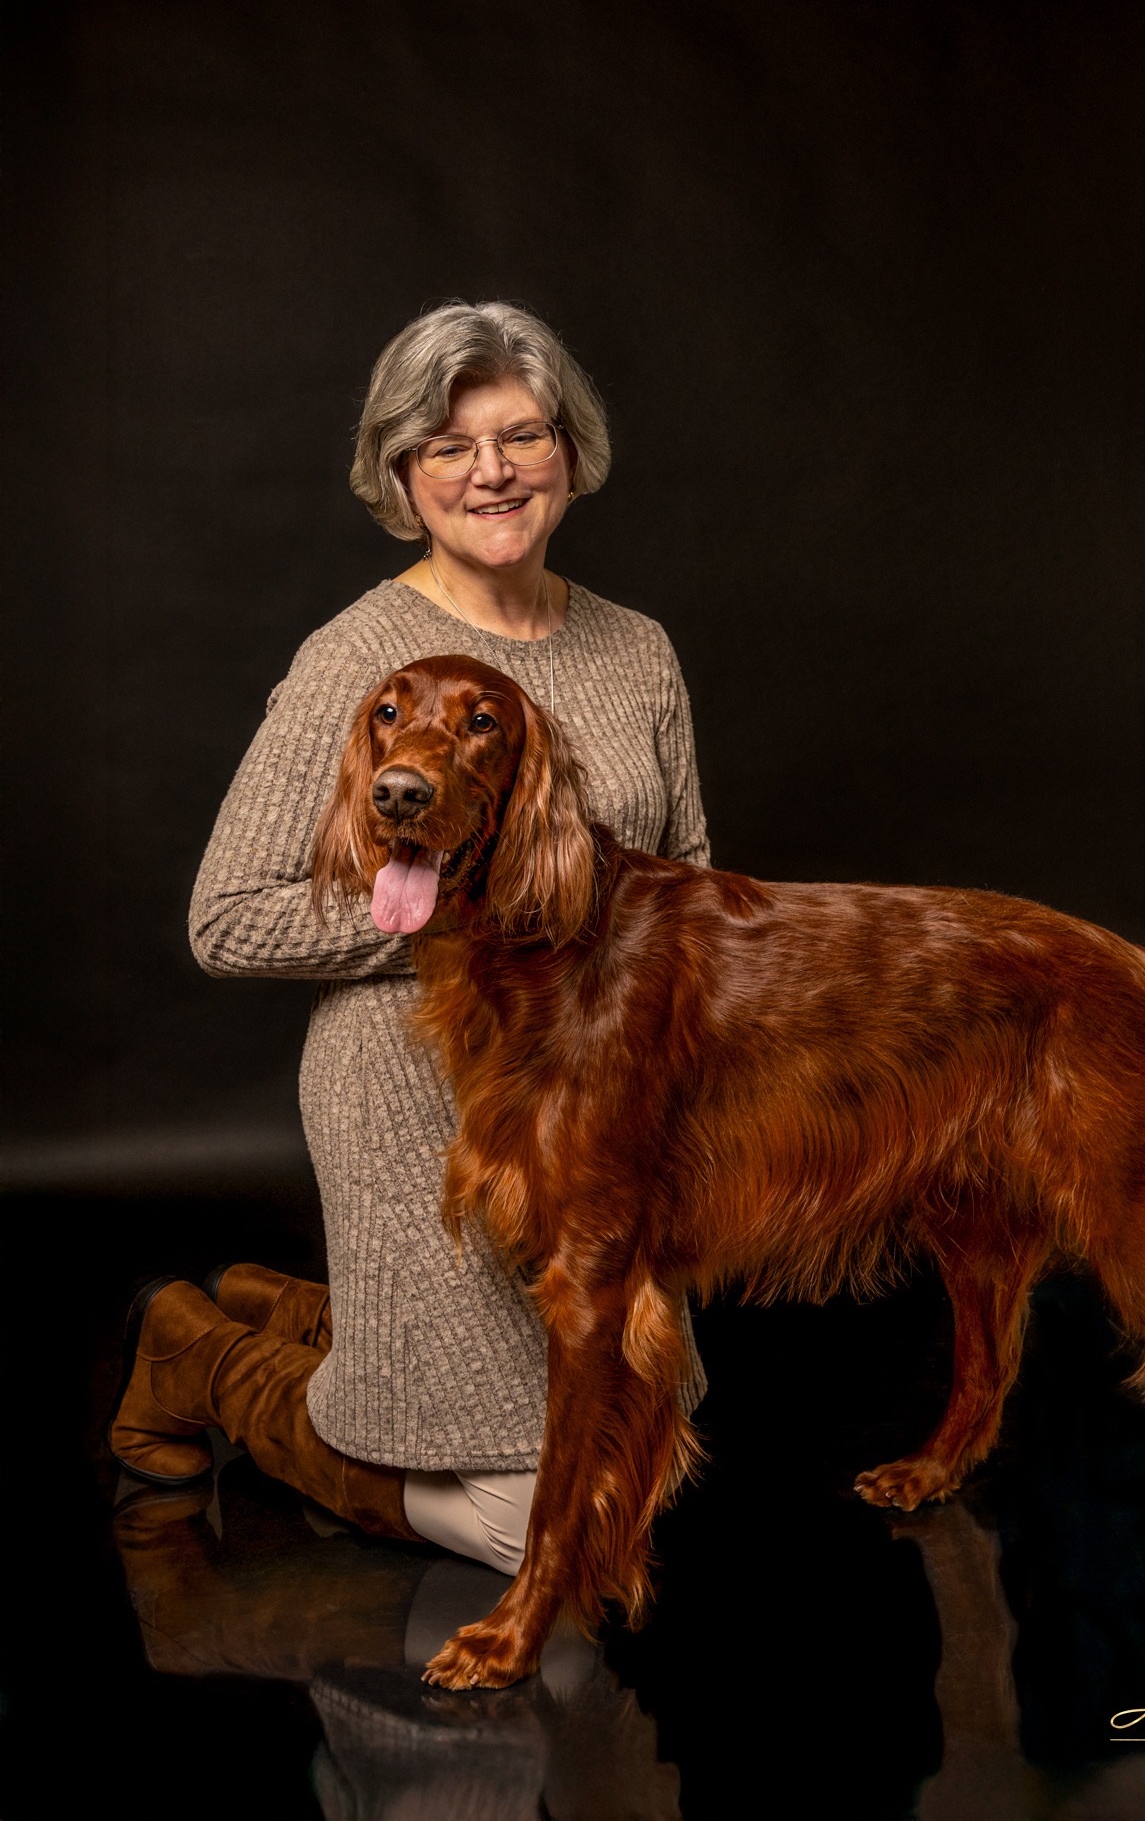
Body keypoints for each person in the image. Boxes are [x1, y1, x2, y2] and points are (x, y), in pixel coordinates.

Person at [110, 301, 710, 1573]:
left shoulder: (638, 649)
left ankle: (305, 1313)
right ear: (401, 473)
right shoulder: (360, 658)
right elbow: (230, 916)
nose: (490, 471)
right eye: (447, 446)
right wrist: (499, 916)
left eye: (521, 435)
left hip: (585, 1108)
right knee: (542, 1518)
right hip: (415, 1098)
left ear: (568, 450)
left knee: (648, 1437)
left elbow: (689, 881)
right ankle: (203, 1357)